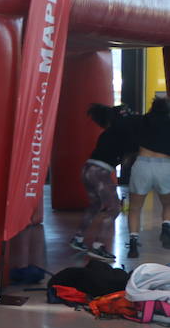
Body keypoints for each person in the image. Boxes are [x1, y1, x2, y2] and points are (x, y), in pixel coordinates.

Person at [70, 104, 136, 263]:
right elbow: (126, 160)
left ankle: (78, 239)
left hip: (87, 169)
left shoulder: (107, 133)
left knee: (94, 205)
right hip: (100, 173)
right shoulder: (124, 134)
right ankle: (98, 247)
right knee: (114, 208)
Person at [127, 95, 170, 258]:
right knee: (168, 204)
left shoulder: (141, 121)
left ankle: (133, 244)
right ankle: (166, 228)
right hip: (165, 164)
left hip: (142, 164)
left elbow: (130, 138)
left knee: (135, 209)